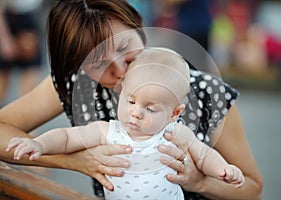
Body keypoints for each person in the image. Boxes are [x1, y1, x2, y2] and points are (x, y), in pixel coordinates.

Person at [0, 1, 263, 199]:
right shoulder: (74, 83)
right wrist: (74, 160)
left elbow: (252, 189)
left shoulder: (207, 92)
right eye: (99, 64)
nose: (121, 71)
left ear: (138, 25)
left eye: (124, 48)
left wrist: (198, 181)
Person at [6, 47, 245, 199]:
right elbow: (67, 138)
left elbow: (204, 156)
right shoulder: (109, 130)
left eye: (150, 108)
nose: (136, 113)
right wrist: (40, 145)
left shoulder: (176, 133)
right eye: (130, 101)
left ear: (174, 113)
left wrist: (223, 170)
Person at [0, 0, 44, 106]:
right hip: (9, 18)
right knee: (3, 79)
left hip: (30, 17)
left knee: (30, 84)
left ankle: (29, 118)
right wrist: (4, 38)